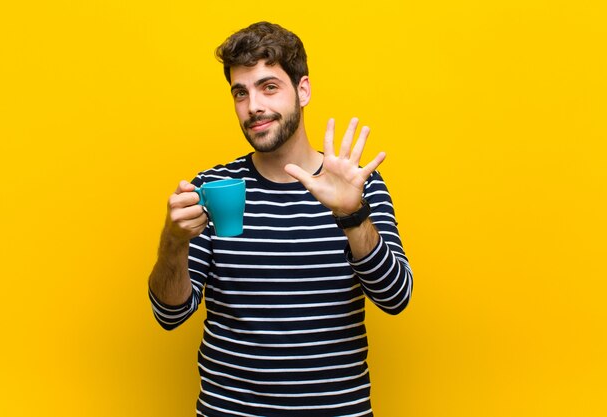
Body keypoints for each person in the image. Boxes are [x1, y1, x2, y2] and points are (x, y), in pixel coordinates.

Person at [148, 21, 413, 417]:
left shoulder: (358, 184)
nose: (253, 105)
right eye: (241, 92)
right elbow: (170, 315)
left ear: (302, 90)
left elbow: (396, 298)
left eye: (269, 86)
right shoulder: (212, 187)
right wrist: (173, 241)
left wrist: (351, 216)